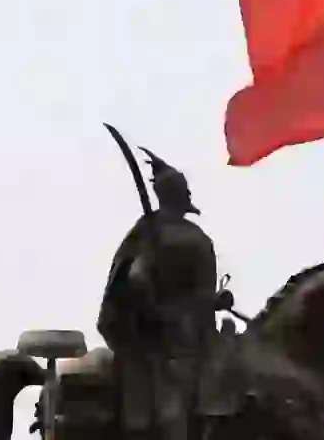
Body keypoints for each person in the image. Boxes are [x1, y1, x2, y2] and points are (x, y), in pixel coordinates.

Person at [97, 148, 233, 440]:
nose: (186, 193)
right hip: (157, 336)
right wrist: (153, 302)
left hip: (197, 332)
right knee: (169, 404)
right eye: (182, 189)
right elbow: (132, 277)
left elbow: (203, 292)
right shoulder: (147, 231)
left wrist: (217, 301)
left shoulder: (197, 237)